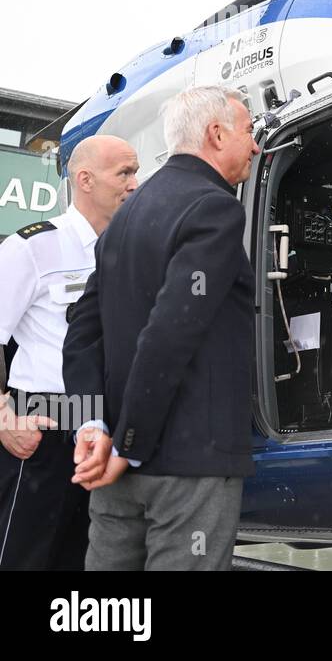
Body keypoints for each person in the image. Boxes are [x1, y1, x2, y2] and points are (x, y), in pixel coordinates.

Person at [63, 86, 260, 571]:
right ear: (217, 134)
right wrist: (130, 443)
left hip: (112, 466)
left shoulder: (125, 214)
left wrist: (92, 426)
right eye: (250, 132)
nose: (256, 146)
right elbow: (171, 331)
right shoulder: (214, 208)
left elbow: (81, 333)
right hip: (185, 468)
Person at [0, 136, 138, 569]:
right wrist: (3, 416)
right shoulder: (31, 246)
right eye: (125, 173)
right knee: (24, 557)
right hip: (42, 424)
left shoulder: (135, 248)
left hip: (107, 429)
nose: (136, 183)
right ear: (85, 179)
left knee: (88, 562)